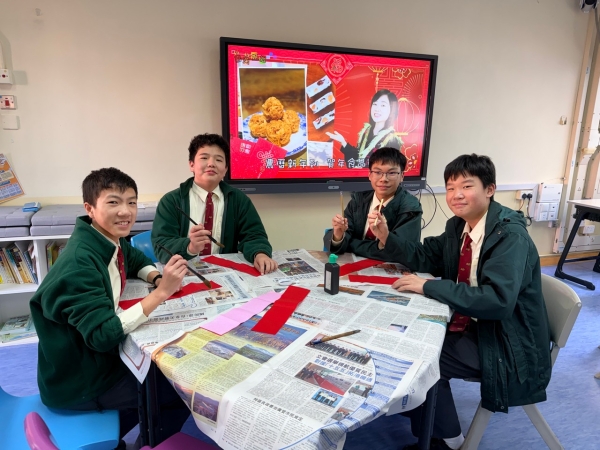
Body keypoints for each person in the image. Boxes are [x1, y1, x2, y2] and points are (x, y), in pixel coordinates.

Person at [368, 154, 552, 450]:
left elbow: (498, 301)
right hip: (478, 325)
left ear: (489, 189)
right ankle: (426, 417)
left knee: (422, 359)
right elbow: (427, 256)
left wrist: (430, 286)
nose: (456, 195)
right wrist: (388, 237)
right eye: (451, 188)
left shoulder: (509, 236)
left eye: (466, 186)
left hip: (507, 342)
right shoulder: (459, 226)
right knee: (406, 334)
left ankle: (448, 440)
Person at [29, 168, 192, 449]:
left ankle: (142, 428)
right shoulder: (80, 263)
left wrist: (155, 277)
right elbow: (103, 336)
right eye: (113, 202)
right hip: (80, 382)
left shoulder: (105, 239)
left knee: (161, 372)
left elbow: (135, 257)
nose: (125, 211)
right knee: (179, 392)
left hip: (96, 361)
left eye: (131, 202)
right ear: (90, 208)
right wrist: (162, 292)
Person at [152, 133, 277, 274]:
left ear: (225, 169)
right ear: (191, 165)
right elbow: (161, 246)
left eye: (218, 159)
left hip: (225, 272)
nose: (211, 163)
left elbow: (254, 235)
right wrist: (190, 246)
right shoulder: (172, 201)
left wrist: (259, 253)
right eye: (204, 158)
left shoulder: (238, 199)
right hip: (183, 272)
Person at [323, 147, 422, 259]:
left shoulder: (410, 207)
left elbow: (402, 251)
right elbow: (343, 237)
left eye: (392, 173)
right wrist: (338, 236)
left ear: (402, 176)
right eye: (378, 172)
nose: (384, 179)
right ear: (370, 175)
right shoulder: (358, 200)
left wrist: (352, 244)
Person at [327, 89, 403, 166]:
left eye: (383, 105)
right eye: (375, 104)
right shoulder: (366, 131)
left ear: (392, 111)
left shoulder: (392, 140)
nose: (377, 109)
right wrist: (343, 142)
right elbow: (358, 159)